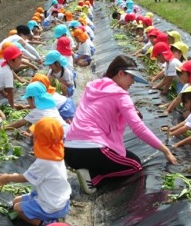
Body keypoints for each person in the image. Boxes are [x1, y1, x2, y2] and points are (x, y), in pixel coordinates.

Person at [64, 55, 177, 195]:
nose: (133, 82)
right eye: (132, 77)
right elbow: (138, 128)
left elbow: (101, 112)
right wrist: (165, 150)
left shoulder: (93, 87)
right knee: (135, 166)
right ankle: (94, 178)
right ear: (121, 74)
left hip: (69, 150)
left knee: (125, 158)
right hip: (92, 149)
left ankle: (89, 170)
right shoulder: (120, 95)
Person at [0, 117, 71, 226]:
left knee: (17, 208)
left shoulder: (44, 162)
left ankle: (45, 224)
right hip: (61, 202)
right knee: (16, 200)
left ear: (39, 139)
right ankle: (49, 214)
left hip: (51, 206)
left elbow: (25, 178)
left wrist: (8, 178)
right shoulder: (56, 153)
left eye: (35, 136)